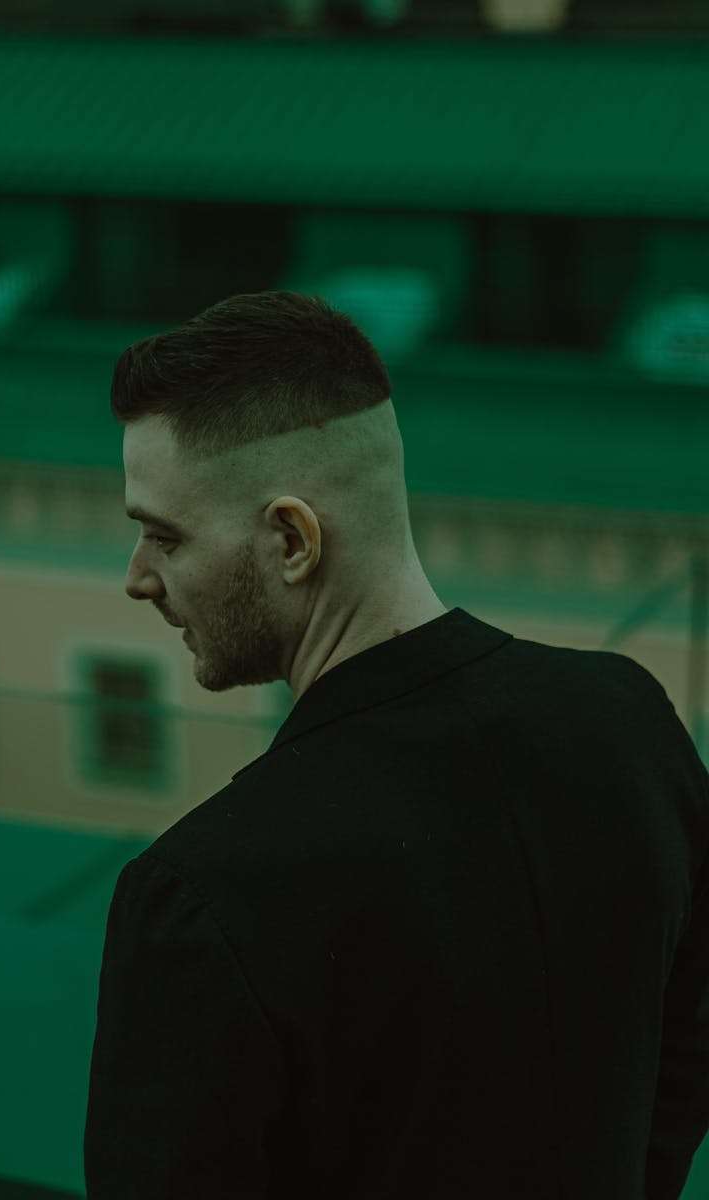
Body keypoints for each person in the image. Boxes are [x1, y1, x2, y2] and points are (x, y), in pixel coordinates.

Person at [84, 291, 709, 1199]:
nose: (137, 577)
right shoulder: (630, 718)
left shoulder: (202, 891)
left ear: (292, 540)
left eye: (163, 535)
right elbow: (686, 1043)